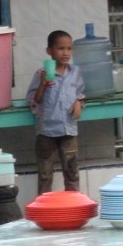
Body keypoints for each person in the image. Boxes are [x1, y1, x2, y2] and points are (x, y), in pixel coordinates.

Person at [26, 30, 86, 193]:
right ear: (49, 51)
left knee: (72, 172)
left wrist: (78, 102)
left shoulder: (75, 72)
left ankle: (74, 205)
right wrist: (43, 83)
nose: (65, 53)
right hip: (46, 131)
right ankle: (44, 206)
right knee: (45, 175)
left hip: (68, 129)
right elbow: (35, 100)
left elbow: (80, 93)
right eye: (60, 48)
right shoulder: (41, 73)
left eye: (69, 48)